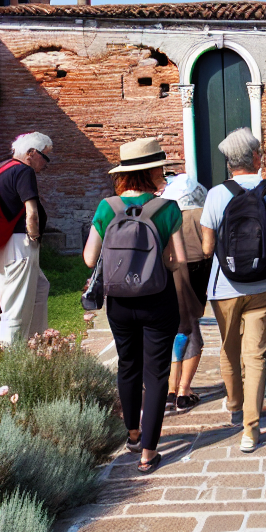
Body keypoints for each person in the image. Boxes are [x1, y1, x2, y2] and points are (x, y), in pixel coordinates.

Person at [83, 137, 188, 474]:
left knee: (128, 365)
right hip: (158, 299)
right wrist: (159, 265)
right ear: (153, 169)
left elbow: (88, 259)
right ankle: (149, 453)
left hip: (119, 303)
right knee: (156, 374)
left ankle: (132, 434)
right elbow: (179, 259)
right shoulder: (167, 208)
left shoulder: (106, 207)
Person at [200, 128, 266, 453]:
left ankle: (234, 403)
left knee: (229, 349)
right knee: (256, 356)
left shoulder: (215, 194)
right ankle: (250, 430)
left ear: (229, 162)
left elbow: (208, 247)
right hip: (264, 285)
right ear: (254, 157)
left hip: (224, 287)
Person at [0, 132, 53, 348]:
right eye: (46, 156)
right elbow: (31, 212)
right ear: (31, 153)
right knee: (14, 306)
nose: (46, 163)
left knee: (40, 287)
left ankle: (34, 343)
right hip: (19, 244)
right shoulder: (23, 171)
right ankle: (13, 360)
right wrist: (34, 237)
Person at [162, 172, 212, 410]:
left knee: (176, 332)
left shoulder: (166, 216)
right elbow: (209, 248)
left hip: (169, 276)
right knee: (192, 331)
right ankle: (183, 390)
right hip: (196, 278)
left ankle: (171, 388)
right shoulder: (203, 214)